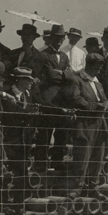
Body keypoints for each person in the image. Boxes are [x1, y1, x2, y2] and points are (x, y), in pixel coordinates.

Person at [62, 53, 108, 197]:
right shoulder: (77, 80)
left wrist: (106, 104)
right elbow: (75, 98)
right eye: (96, 68)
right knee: (83, 156)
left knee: (97, 156)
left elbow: (105, 99)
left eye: (100, 68)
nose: (98, 71)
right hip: (85, 124)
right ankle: (78, 187)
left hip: (99, 124)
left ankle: (93, 187)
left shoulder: (97, 83)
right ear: (89, 66)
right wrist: (95, 106)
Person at [0, 67, 38, 208]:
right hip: (9, 141)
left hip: (24, 142)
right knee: (7, 173)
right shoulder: (8, 94)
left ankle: (17, 205)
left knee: (21, 173)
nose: (31, 83)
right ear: (19, 80)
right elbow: (11, 115)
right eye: (28, 80)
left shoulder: (27, 95)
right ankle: (4, 204)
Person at [37, 24, 72, 160]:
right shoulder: (43, 55)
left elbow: (71, 76)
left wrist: (60, 73)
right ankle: (41, 163)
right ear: (50, 38)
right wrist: (64, 74)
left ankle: (57, 162)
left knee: (61, 133)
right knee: (45, 133)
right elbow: (50, 75)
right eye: (56, 37)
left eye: (61, 37)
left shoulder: (64, 56)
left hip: (61, 99)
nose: (59, 40)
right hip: (47, 99)